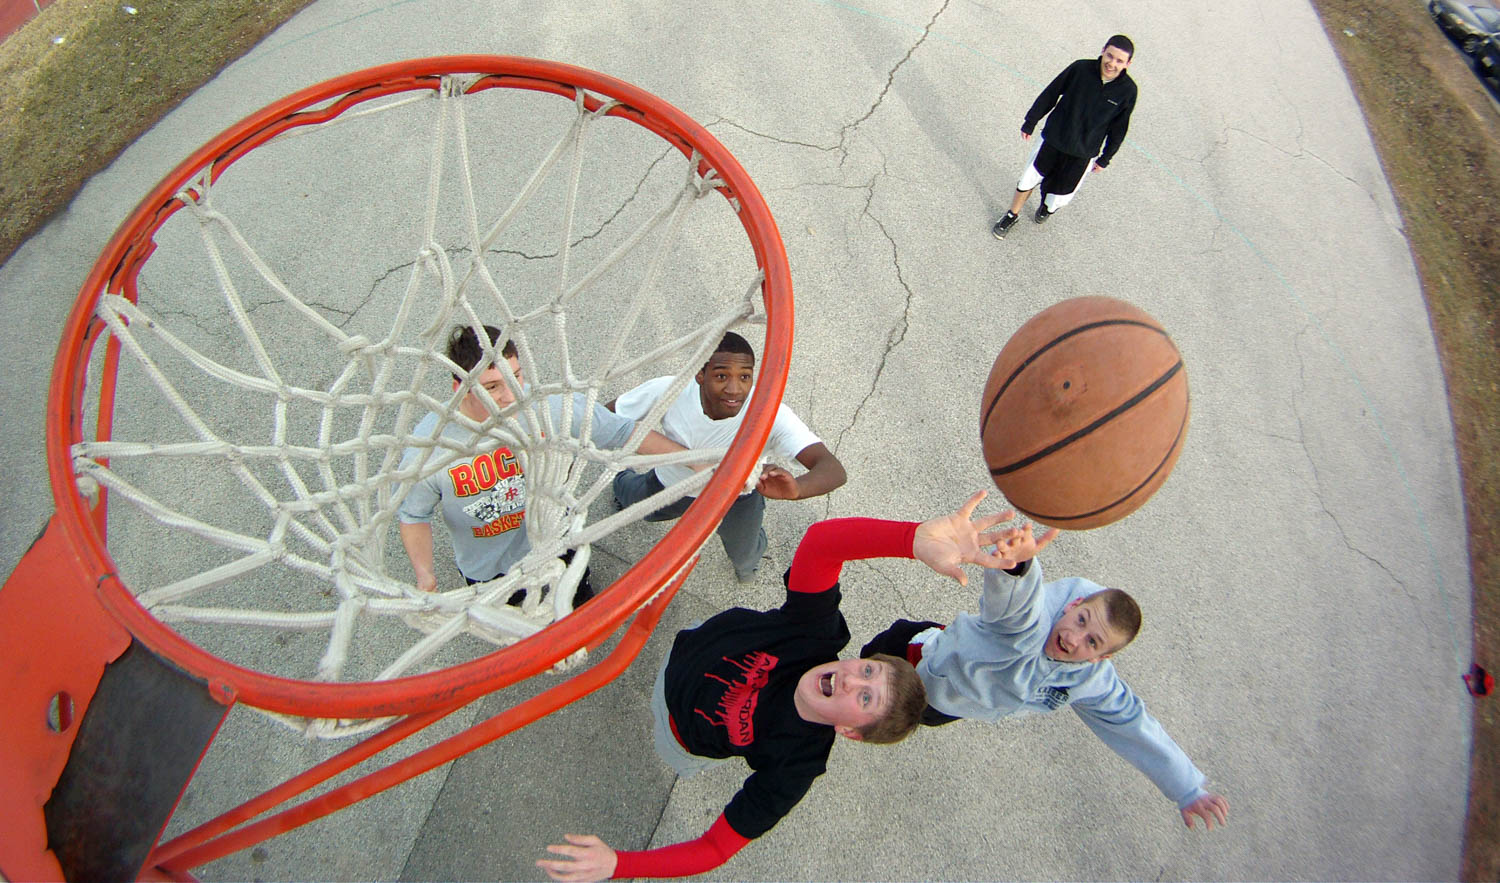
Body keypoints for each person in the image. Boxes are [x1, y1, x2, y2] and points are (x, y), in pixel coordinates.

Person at [536, 496, 1042, 881]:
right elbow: (824, 543)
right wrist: (912, 540)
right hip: (683, 654)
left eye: (865, 698)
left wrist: (618, 865)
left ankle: (672, 743)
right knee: (663, 675)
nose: (852, 677)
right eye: (867, 671)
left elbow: (715, 849)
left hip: (682, 733)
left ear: (851, 732)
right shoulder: (815, 633)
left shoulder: (796, 765)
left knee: (669, 747)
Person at [861, 491, 1231, 832]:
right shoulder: (1033, 623)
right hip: (920, 657)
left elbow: (1132, 724)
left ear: (1103, 658)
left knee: (895, 716)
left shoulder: (1091, 681)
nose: (1073, 637)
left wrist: (1188, 788)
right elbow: (1019, 607)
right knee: (866, 665)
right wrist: (1016, 569)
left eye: (1092, 641)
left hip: (947, 703)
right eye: (1081, 620)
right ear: (1073, 606)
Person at [397, 325, 684, 600]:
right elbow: (414, 515)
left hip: (557, 537)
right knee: (511, 615)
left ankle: (578, 604)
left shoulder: (551, 409)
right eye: (493, 386)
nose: (512, 396)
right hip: (489, 567)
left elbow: (623, 431)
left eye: (517, 377)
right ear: (459, 387)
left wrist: (692, 462)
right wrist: (424, 574)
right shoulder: (430, 445)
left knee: (576, 591)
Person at [608, 331, 846, 583]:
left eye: (745, 377)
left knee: (744, 551)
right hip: (673, 485)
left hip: (738, 499)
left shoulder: (769, 412)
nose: (734, 389)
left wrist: (797, 488)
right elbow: (607, 416)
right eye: (721, 376)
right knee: (641, 507)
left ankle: (747, 566)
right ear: (700, 375)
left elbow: (833, 470)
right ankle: (621, 483)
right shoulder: (669, 389)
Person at [992, 35, 1138, 239]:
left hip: (1083, 153)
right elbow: (1052, 92)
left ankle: (1047, 208)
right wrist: (1031, 120)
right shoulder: (1080, 69)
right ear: (1103, 50)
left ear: (1128, 64)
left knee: (1058, 197)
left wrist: (1106, 158)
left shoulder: (1128, 91)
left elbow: (1119, 128)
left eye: (1119, 61)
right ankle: (1011, 214)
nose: (1112, 63)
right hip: (1053, 139)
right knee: (1028, 179)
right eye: (1110, 56)